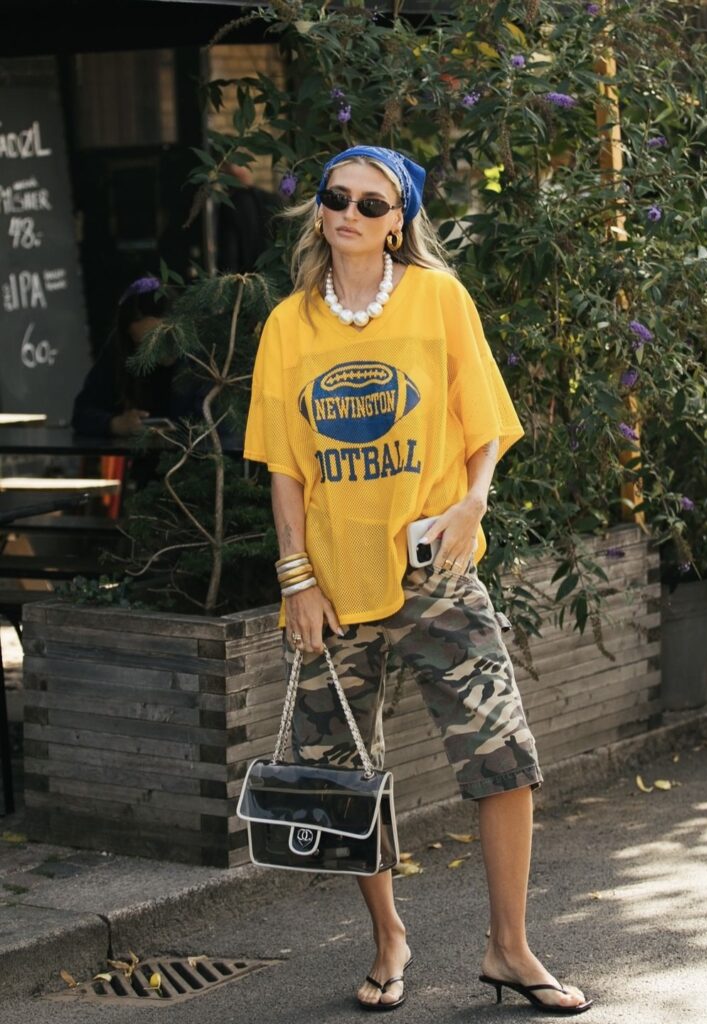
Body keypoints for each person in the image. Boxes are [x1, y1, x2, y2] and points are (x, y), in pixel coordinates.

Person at [243, 146, 593, 1015]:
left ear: (400, 220)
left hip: (432, 572)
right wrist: (296, 578)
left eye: (373, 202)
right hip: (330, 582)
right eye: (337, 197)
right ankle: (389, 938)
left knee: (503, 757)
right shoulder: (290, 325)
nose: (352, 213)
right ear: (319, 209)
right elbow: (285, 468)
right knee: (345, 773)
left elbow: (486, 424)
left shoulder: (439, 299)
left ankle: (509, 948)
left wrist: (472, 506)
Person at [71, 276, 202, 438]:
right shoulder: (120, 348)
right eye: (143, 345)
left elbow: (225, 430)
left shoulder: (205, 352)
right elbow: (82, 413)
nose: (153, 352)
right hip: (145, 458)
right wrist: (116, 424)